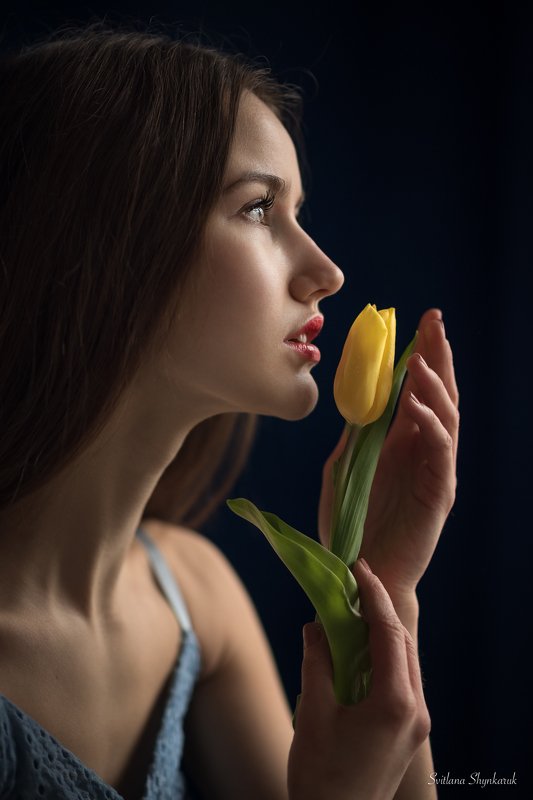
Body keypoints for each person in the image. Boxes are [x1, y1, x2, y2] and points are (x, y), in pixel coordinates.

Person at [0, 19, 459, 800]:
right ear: (105, 238)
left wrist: (380, 587)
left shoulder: (196, 597)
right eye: (257, 209)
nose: (326, 271)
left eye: (297, 212)